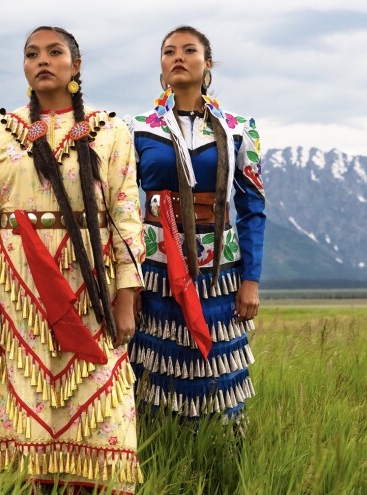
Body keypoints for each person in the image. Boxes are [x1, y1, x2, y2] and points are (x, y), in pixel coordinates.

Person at [0, 26, 145, 492]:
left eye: (54, 52)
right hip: (17, 287)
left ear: (76, 65)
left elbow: (126, 218)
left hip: (92, 283)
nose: (42, 60)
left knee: (101, 389)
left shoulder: (108, 129)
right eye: (31, 54)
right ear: (24, 67)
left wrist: (126, 294)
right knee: (27, 389)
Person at [127, 25, 265, 422]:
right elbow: (122, 210)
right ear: (161, 66)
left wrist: (251, 279)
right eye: (169, 51)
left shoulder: (240, 129)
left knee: (218, 363)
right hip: (155, 269)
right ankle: (156, 447)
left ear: (207, 65)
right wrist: (129, 281)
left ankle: (219, 454)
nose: (178, 57)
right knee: (153, 357)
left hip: (219, 271)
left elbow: (253, 208)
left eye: (189, 50)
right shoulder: (136, 129)